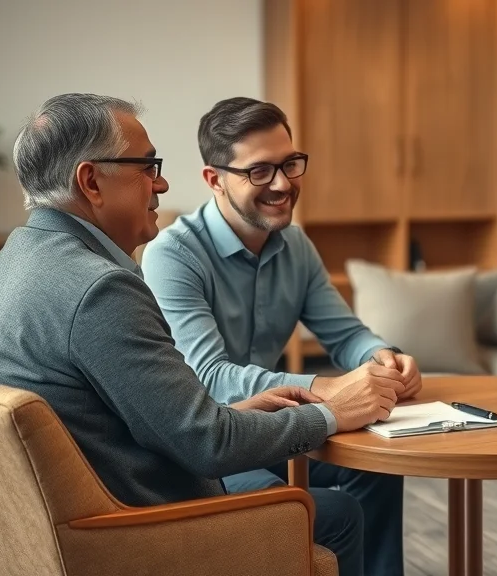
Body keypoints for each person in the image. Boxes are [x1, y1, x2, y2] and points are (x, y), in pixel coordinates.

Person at [0, 93, 404, 576]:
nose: (162, 183)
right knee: (336, 515)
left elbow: (134, 416)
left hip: (58, 525)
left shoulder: (4, 266)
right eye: (147, 166)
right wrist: (330, 412)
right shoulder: (101, 289)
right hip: (134, 529)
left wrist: (229, 413)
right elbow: (206, 445)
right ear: (91, 182)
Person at [140, 96, 419, 576]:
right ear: (215, 180)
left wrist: (384, 357)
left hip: (273, 429)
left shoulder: (296, 243)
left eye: (290, 164)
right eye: (260, 171)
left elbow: (344, 332)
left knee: (378, 468)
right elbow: (207, 377)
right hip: (214, 440)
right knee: (294, 511)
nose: (283, 184)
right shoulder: (172, 255)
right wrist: (323, 388)